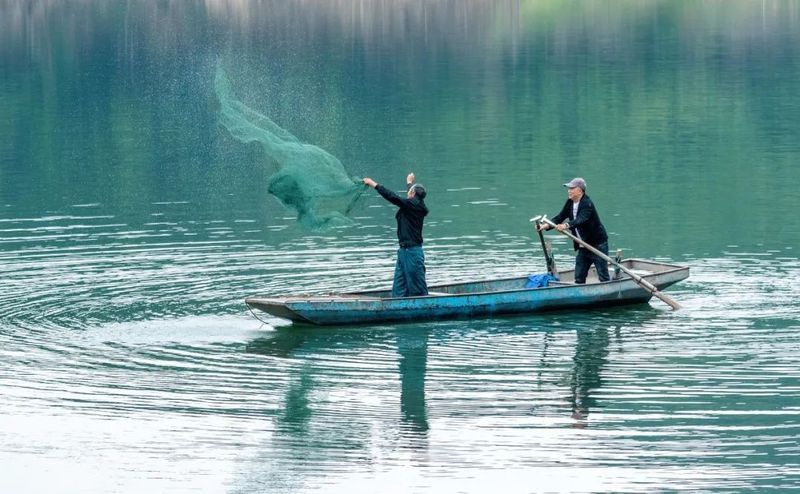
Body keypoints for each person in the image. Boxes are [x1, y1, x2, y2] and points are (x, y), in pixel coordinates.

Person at [362, 173, 429, 297]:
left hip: (413, 253)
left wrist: (373, 184)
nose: (408, 192)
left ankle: (423, 309)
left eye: (410, 191)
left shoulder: (411, 205)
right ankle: (399, 306)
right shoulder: (415, 204)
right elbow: (411, 194)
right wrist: (409, 181)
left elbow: (392, 197)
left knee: (417, 290)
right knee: (399, 289)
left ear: (413, 194)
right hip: (404, 252)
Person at [537, 177, 610, 284]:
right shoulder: (570, 202)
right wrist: (546, 226)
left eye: (572, 188)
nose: (569, 190)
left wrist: (566, 225)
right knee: (579, 277)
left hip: (597, 245)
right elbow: (559, 217)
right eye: (569, 188)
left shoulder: (587, 203)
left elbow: (581, 220)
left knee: (603, 277)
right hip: (582, 246)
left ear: (580, 190)